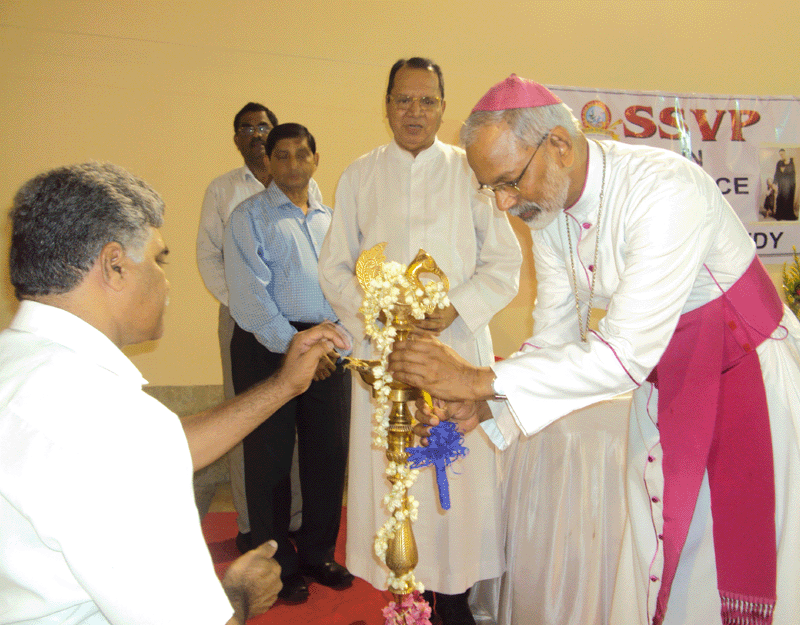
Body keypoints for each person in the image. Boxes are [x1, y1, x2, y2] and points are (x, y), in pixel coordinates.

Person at [388, 75, 800, 625]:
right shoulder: (549, 211)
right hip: (671, 389)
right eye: (492, 190)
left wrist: (478, 379)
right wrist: (485, 406)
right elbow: (554, 335)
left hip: (749, 387)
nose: (505, 203)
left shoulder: (664, 189)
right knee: (663, 553)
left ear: (558, 144)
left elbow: (624, 354)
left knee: (724, 562)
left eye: (510, 182)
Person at [0, 162, 351, 625]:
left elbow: (157, 446)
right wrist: (239, 598)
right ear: (114, 265)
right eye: (159, 260)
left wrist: (284, 385)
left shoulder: (20, 364)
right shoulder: (101, 416)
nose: (166, 283)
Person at [318, 58, 521, 625]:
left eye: (427, 100)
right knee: (393, 476)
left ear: (443, 107)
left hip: (454, 351)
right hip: (384, 357)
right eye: (403, 99)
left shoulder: (471, 173)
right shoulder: (360, 175)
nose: (414, 111)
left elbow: (503, 264)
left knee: (453, 476)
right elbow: (334, 268)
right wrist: (379, 314)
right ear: (386, 105)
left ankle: (454, 602)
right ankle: (405, 600)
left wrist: (456, 307)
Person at [225, 123, 353, 604]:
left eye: (302, 154)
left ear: (316, 159)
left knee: (328, 454)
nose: (293, 164)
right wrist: (296, 348)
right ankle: (278, 565)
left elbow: (350, 288)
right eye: (282, 155)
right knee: (270, 459)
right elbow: (250, 297)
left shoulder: (334, 220)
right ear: (269, 161)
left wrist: (333, 344)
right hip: (269, 344)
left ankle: (318, 553)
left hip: (329, 344)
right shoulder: (249, 217)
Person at [197, 103, 322, 551]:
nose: (255, 133)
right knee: (249, 420)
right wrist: (246, 305)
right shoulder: (224, 189)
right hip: (242, 318)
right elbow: (209, 257)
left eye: (263, 126)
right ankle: (252, 524)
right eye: (246, 128)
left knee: (300, 426)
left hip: (301, 323)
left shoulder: (308, 189)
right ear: (237, 139)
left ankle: (295, 520)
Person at [773, 148, 796, 220]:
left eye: (782, 154)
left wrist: (792, 186)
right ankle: (780, 215)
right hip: (781, 185)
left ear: (786, 153)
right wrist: (774, 183)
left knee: (788, 200)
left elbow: (792, 175)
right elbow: (777, 174)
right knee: (780, 199)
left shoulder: (791, 163)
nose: (781, 156)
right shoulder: (779, 163)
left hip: (789, 186)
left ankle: (788, 216)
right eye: (780, 155)